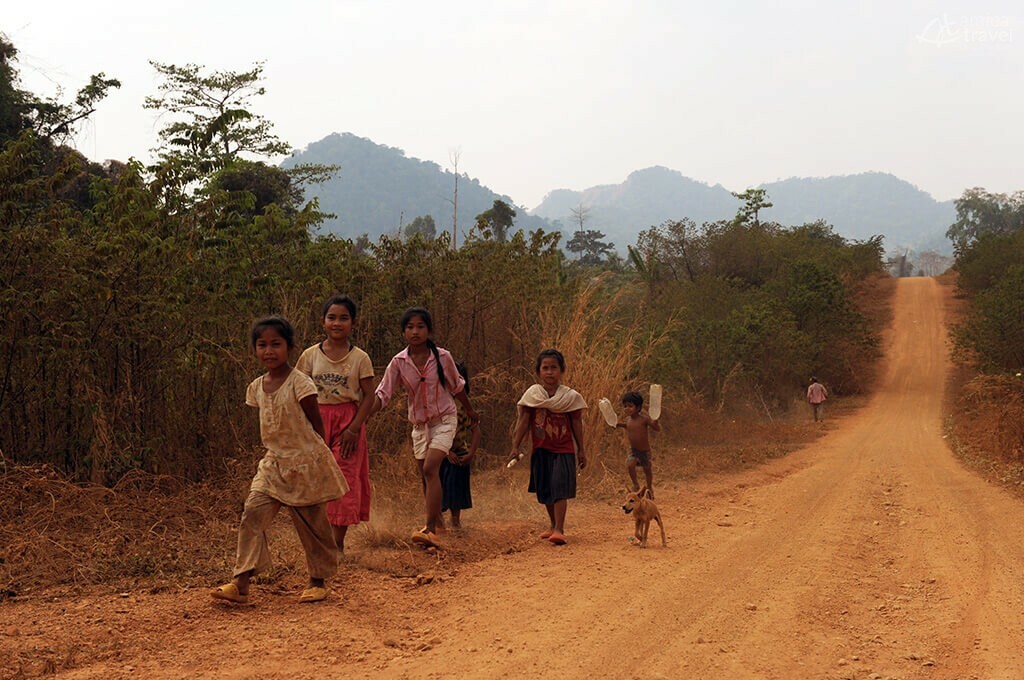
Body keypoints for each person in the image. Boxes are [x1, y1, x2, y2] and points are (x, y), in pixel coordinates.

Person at [212, 317, 348, 605]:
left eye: (276, 344)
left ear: (289, 347)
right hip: (274, 463)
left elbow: (315, 424)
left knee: (312, 523)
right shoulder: (257, 388)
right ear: (254, 350)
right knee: (253, 513)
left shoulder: (301, 383)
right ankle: (241, 581)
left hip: (305, 462)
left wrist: (319, 457)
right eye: (262, 345)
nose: (269, 351)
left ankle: (318, 580)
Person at [371, 307, 479, 547]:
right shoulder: (398, 362)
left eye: (420, 327)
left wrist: (470, 411)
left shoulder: (443, 357)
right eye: (410, 327)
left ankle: (429, 529)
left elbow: (457, 386)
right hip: (420, 426)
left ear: (429, 331)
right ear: (403, 333)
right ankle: (438, 522)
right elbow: (383, 393)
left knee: (431, 469)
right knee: (425, 476)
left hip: (444, 420)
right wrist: (365, 411)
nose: (415, 332)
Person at [295, 296, 374, 554]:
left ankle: (336, 545)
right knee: (318, 481)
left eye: (343, 318)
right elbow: (297, 390)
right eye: (332, 317)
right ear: (323, 321)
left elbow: (369, 396)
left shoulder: (360, 358)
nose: (337, 323)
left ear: (354, 323)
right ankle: (320, 540)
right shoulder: (309, 356)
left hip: (348, 424)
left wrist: (353, 428)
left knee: (344, 480)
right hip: (315, 421)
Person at [508, 348, 587, 546]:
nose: (550, 372)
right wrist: (515, 445)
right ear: (538, 371)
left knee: (560, 487)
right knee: (545, 490)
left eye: (554, 368)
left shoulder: (570, 397)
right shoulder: (533, 395)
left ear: (561, 370)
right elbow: (524, 421)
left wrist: (582, 449)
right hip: (541, 449)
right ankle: (552, 525)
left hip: (564, 449)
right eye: (545, 368)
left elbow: (577, 424)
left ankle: (560, 529)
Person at [439, 362, 482, 530]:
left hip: (460, 453)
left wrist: (470, 454)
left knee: (456, 489)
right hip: (440, 452)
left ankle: (456, 523)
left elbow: (476, 431)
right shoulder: (438, 405)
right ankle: (438, 522)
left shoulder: (464, 406)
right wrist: (446, 452)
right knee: (440, 487)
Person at [617, 391, 660, 499]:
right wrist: (617, 424)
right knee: (630, 465)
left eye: (630, 406)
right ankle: (636, 484)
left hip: (644, 451)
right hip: (633, 450)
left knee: (647, 470)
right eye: (625, 406)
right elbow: (626, 426)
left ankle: (649, 487)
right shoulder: (628, 420)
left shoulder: (644, 419)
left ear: (638, 407)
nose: (627, 408)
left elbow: (656, 429)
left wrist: (655, 423)